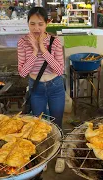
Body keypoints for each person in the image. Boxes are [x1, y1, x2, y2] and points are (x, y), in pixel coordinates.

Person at [17, 6, 66, 173]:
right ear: (28, 24)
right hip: (36, 88)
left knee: (57, 123)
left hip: (55, 87)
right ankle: (44, 156)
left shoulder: (55, 42)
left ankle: (59, 155)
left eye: (40, 24)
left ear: (47, 23)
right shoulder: (23, 42)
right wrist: (35, 51)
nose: (36, 28)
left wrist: (43, 50)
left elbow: (59, 70)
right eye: (32, 24)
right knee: (39, 124)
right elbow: (23, 72)